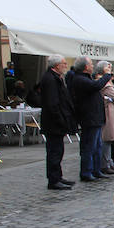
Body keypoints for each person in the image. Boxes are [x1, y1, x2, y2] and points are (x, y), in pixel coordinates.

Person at [69, 56, 113, 182]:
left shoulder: (85, 78)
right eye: (91, 64)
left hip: (95, 117)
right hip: (89, 118)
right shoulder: (79, 79)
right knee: (89, 146)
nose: (93, 66)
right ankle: (87, 171)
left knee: (97, 145)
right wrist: (106, 75)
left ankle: (96, 169)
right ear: (85, 67)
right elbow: (96, 86)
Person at [38, 55, 76, 190]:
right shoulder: (50, 79)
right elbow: (52, 103)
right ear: (56, 65)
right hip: (53, 123)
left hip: (56, 122)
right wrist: (61, 120)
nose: (66, 66)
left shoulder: (55, 78)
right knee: (54, 151)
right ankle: (53, 180)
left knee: (58, 151)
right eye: (64, 63)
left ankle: (57, 177)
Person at [96, 60, 114, 174]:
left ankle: (109, 162)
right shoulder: (106, 85)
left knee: (111, 139)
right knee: (108, 139)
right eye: (108, 68)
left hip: (112, 113)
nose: (111, 70)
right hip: (109, 114)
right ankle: (106, 163)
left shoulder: (107, 84)